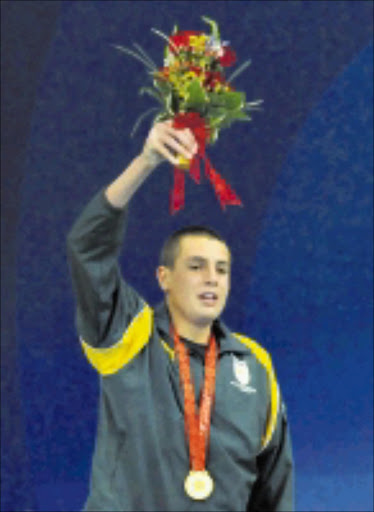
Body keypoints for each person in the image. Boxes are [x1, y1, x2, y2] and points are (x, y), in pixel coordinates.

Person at [67, 120, 294, 511]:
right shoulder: (128, 338)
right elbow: (87, 247)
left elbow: (274, 491)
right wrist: (146, 161)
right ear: (164, 277)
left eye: (222, 270)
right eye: (196, 266)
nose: (212, 279)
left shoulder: (254, 367)